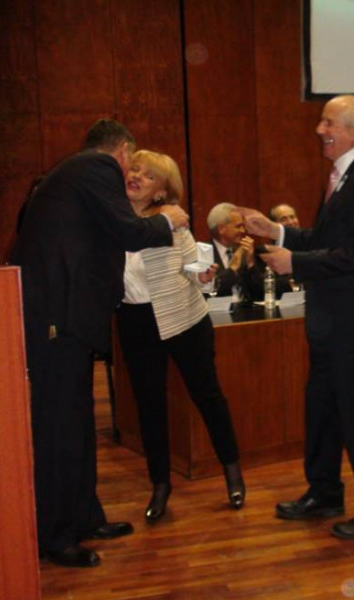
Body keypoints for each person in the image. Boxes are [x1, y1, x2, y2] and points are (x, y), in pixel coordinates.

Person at [11, 119, 188, 568]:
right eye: (132, 161)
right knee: (59, 427)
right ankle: (55, 535)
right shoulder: (95, 168)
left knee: (77, 422)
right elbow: (129, 230)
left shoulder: (73, 174)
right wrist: (165, 219)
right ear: (123, 150)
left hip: (66, 316)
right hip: (58, 317)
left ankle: (85, 517)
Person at [242, 94, 354, 540]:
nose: (319, 130)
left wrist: (294, 263)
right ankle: (324, 492)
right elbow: (325, 238)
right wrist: (275, 231)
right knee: (323, 409)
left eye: (327, 122)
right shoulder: (347, 174)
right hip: (334, 321)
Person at [116, 150, 245, 523]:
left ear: (161, 192)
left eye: (149, 175)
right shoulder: (113, 219)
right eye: (134, 168)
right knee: (149, 406)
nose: (136, 175)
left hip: (184, 317)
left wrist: (205, 276)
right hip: (135, 320)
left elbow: (195, 268)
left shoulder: (173, 223)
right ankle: (160, 486)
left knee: (208, 396)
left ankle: (232, 472)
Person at [207, 202, 290, 301]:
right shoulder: (204, 253)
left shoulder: (252, 252)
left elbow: (261, 294)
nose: (243, 231)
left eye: (243, 226)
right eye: (238, 226)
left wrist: (250, 263)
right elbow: (210, 292)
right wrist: (233, 269)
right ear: (221, 229)